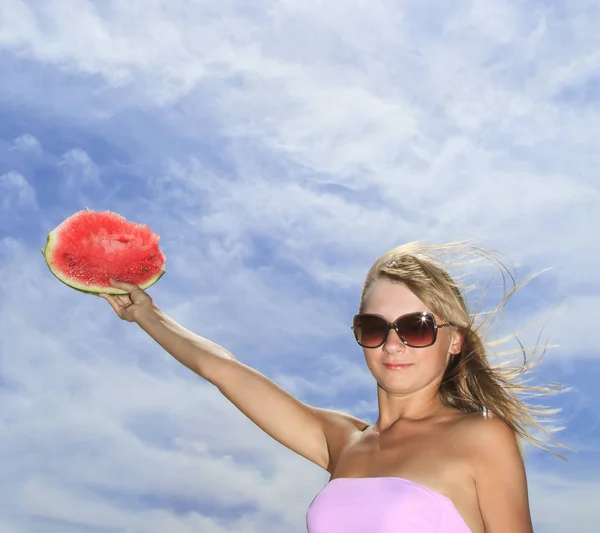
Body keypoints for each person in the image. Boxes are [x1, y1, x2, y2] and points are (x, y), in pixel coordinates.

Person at [98, 241, 564, 533]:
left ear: (454, 339)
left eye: (417, 327)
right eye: (375, 326)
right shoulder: (344, 441)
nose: (394, 344)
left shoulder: (481, 437)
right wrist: (145, 314)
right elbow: (224, 369)